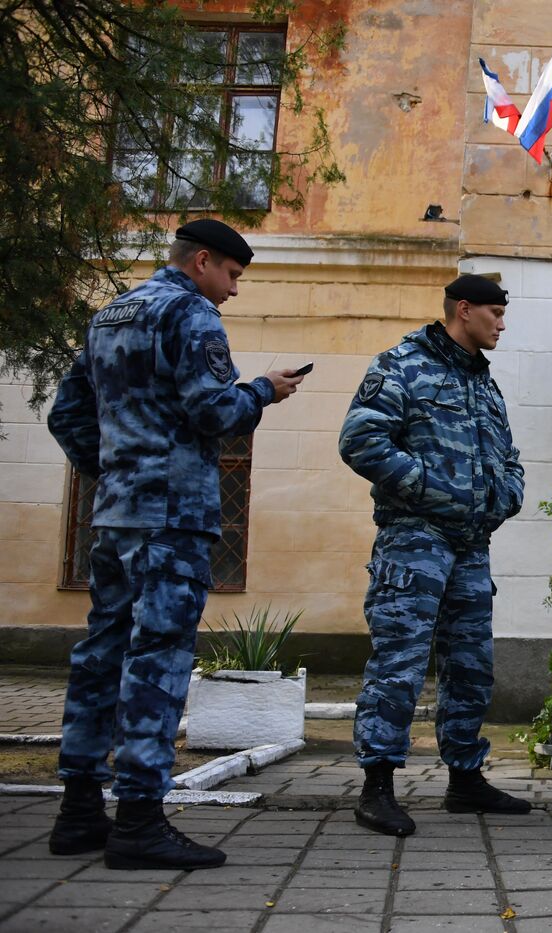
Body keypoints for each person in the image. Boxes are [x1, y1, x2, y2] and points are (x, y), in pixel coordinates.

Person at [46, 219, 304, 870]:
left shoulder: (109, 316)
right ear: (203, 262)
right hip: (173, 520)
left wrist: (113, 475)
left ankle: (79, 811)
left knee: (102, 654)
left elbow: (66, 414)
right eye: (233, 276)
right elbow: (216, 413)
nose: (235, 291)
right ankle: (138, 820)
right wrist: (263, 391)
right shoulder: (191, 316)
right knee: (157, 662)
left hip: (116, 519)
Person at [339, 273, 529, 837]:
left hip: (472, 544)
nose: (502, 322)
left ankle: (464, 780)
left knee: (471, 666)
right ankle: (377, 786)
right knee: (399, 661)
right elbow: (361, 440)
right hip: (414, 539)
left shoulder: (484, 384)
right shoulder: (401, 365)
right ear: (463, 309)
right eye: (493, 312)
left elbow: (507, 455)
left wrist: (508, 492)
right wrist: (430, 487)